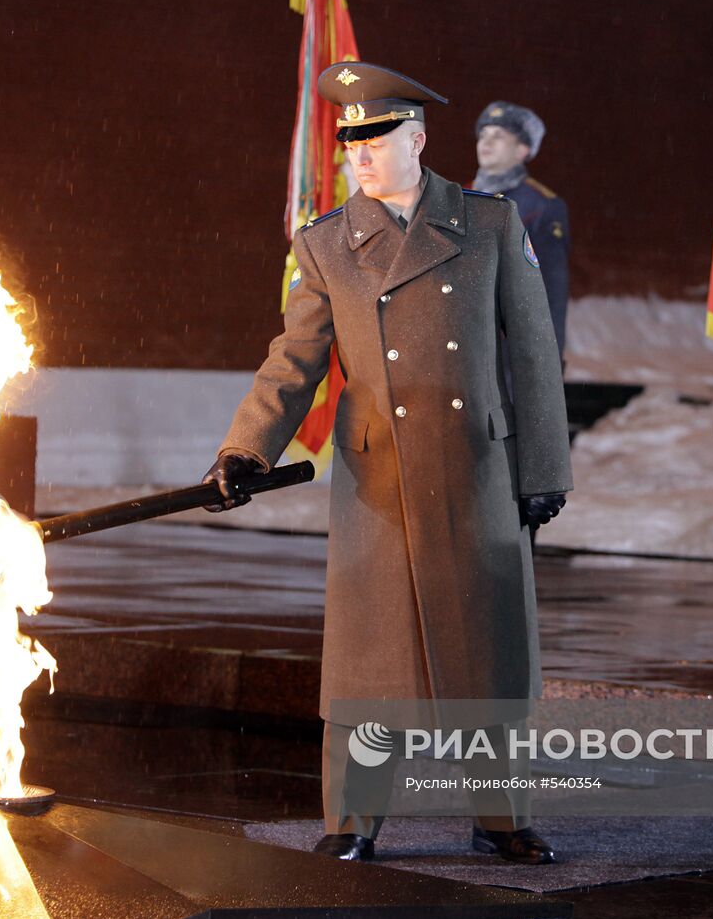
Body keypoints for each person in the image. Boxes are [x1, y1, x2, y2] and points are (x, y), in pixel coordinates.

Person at [203, 62, 571, 863]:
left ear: (418, 139)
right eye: (350, 142)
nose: (360, 156)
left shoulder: (491, 224)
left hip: (476, 469)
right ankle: (352, 821)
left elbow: (535, 357)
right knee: (371, 661)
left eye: (376, 139)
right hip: (378, 480)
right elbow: (291, 363)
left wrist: (544, 469)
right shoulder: (329, 243)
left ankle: (501, 818)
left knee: (487, 655)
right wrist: (244, 446)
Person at [473, 101, 571, 367]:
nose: (486, 142)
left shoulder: (541, 206)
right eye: (483, 135)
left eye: (499, 136)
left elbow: (551, 292)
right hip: (464, 352)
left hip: (511, 354)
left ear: (522, 150)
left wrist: (548, 361)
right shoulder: (459, 196)